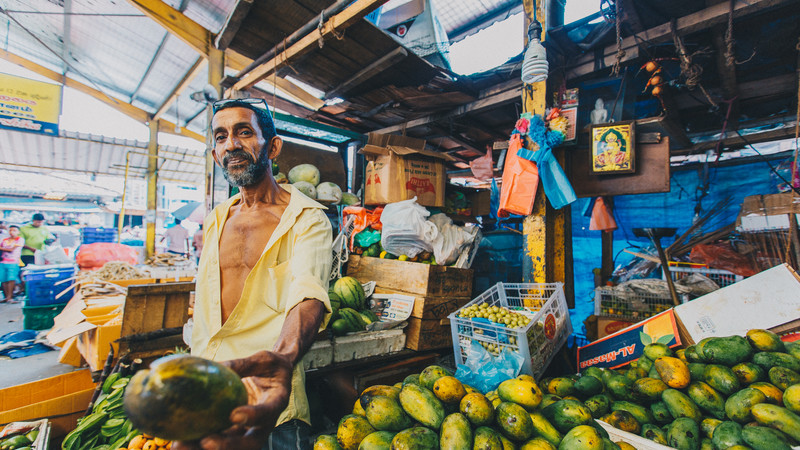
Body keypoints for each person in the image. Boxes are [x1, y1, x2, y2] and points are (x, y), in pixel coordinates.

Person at [175, 98, 332, 450]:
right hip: (208, 388)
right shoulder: (216, 218)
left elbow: (308, 296)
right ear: (215, 153)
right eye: (220, 136)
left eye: (244, 132)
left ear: (272, 146)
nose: (231, 144)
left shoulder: (306, 219)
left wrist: (282, 360)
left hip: (267, 396)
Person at [0, 225, 25, 303]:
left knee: (11, 279)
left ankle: (10, 297)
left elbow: (11, 249)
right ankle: (7, 297)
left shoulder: (20, 240)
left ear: (18, 232)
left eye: (14, 230)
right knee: (4, 280)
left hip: (13, 262)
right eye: (10, 230)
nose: (12, 232)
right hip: (3, 261)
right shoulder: (4, 240)